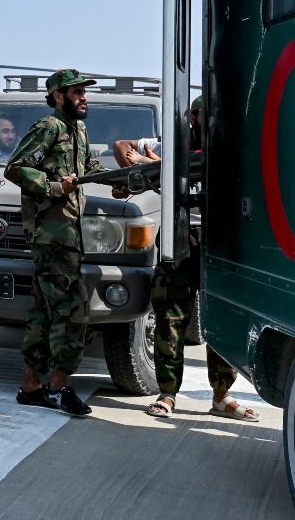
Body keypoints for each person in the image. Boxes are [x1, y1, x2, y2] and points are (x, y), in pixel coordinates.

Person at [109, 101, 257, 421]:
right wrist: (136, 170)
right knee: (171, 319)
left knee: (221, 320)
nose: (214, 119)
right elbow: (122, 146)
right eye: (208, 114)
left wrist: (157, 165)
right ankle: (167, 394)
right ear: (193, 118)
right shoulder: (176, 145)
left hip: (219, 245)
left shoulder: (228, 146)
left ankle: (221, 396)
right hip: (179, 239)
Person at [4, 68, 104, 417]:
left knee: (45, 313)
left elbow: (87, 168)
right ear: (58, 96)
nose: (83, 97)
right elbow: (15, 168)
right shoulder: (49, 127)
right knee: (73, 313)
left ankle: (31, 386)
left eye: (83, 92)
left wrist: (115, 180)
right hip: (52, 236)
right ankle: (59, 386)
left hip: (69, 235)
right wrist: (54, 187)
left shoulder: (79, 129)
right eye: (76, 92)